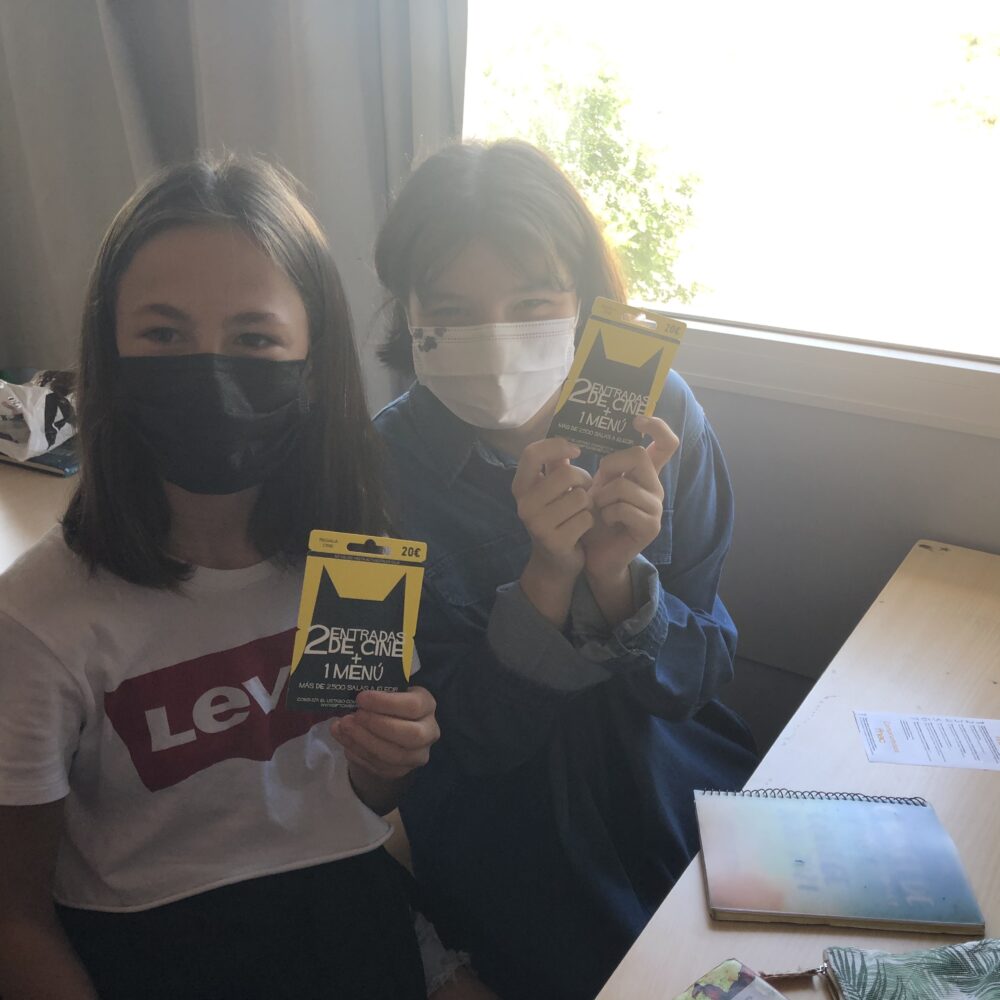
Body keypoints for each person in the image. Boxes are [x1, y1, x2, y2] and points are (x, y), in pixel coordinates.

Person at [0, 155, 441, 1000]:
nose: (210, 370)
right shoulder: (36, 621)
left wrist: (394, 756)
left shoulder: (358, 563)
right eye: (164, 336)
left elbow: (362, 794)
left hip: (344, 909)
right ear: (108, 350)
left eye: (254, 339)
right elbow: (13, 915)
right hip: (147, 941)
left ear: (313, 359)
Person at [372, 139, 759, 1000]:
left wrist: (620, 583)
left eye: (532, 305)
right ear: (408, 316)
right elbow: (453, 745)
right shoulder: (380, 474)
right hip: (511, 822)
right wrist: (548, 581)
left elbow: (702, 672)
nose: (496, 341)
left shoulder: (662, 416)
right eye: (453, 312)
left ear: (583, 303)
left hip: (670, 769)